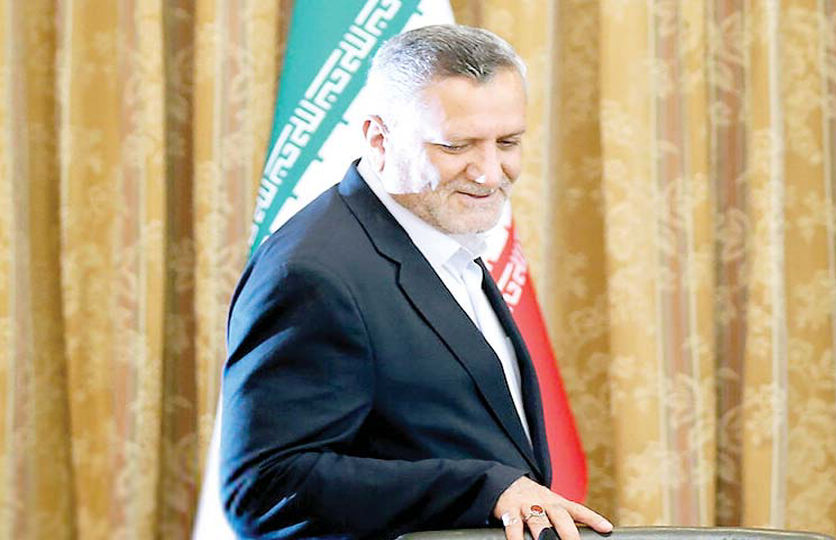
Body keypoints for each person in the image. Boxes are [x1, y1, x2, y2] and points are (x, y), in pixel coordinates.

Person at [219, 24, 613, 540]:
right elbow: (266, 489)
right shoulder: (311, 273)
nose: (490, 173)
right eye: (456, 146)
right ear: (379, 139)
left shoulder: (445, 229)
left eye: (508, 143)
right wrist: (483, 490)